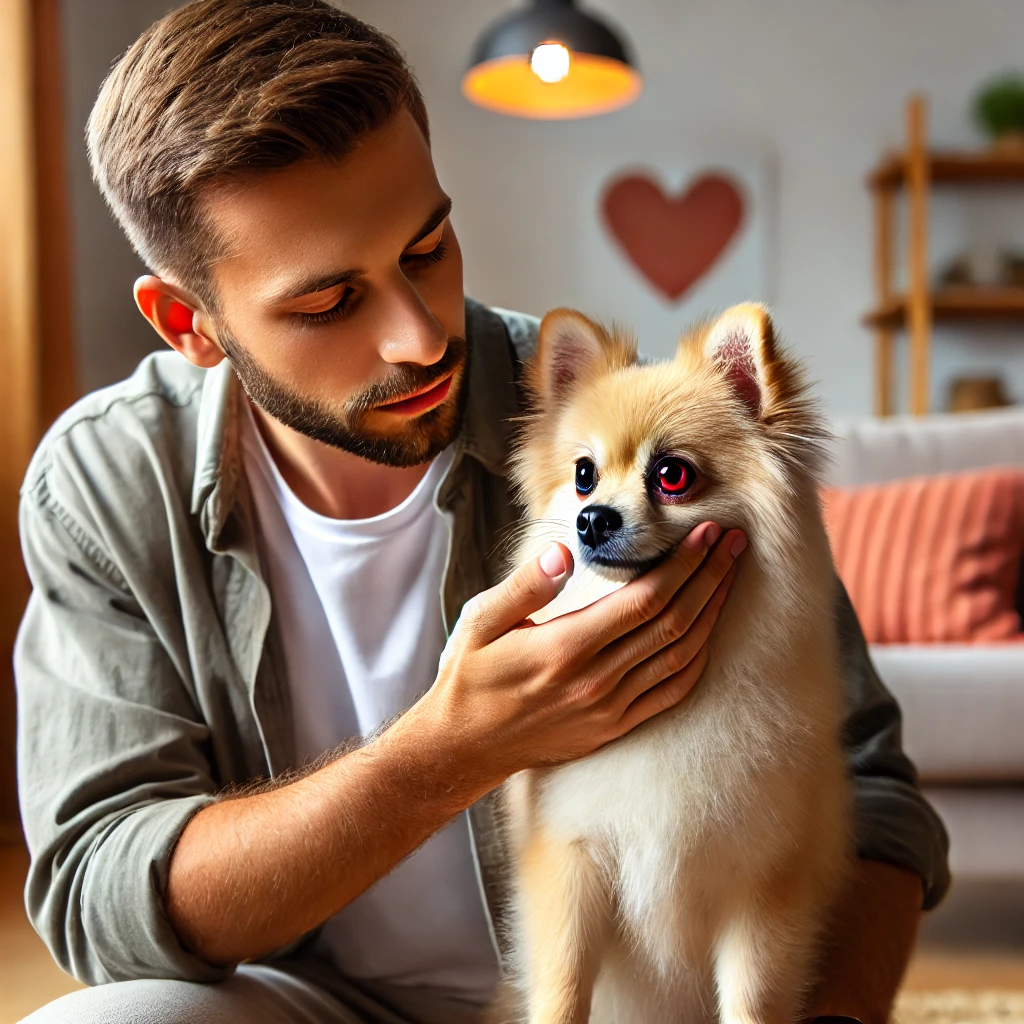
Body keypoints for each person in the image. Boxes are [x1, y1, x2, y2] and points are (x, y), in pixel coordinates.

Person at [15, 2, 948, 1022]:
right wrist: (451, 750)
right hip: (304, 1001)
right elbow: (100, 893)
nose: (419, 335)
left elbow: (869, 792)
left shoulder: (605, 422)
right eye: (329, 303)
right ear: (191, 325)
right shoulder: (111, 478)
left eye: (427, 246)